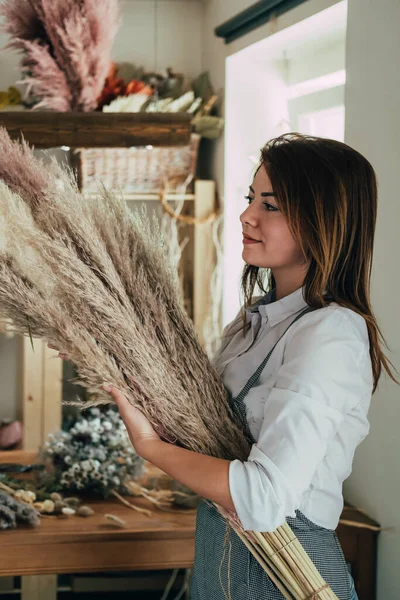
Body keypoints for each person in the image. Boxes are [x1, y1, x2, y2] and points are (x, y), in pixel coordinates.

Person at [50, 133, 398, 599]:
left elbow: (263, 498)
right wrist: (108, 355)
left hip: (290, 584)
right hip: (218, 571)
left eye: (270, 205)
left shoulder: (330, 334)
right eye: (251, 197)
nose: (246, 215)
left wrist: (149, 448)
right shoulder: (251, 322)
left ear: (324, 219)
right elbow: (197, 429)